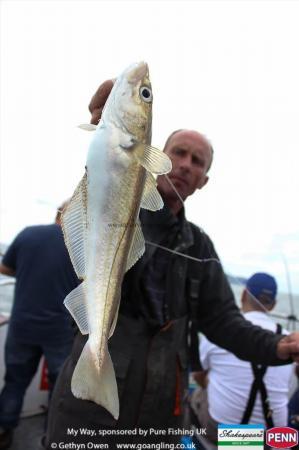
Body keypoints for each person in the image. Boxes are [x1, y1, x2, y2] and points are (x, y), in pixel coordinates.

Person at [45, 81, 299, 449]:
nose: (184, 165)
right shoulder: (116, 213)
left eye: (197, 162)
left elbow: (225, 323)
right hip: (87, 414)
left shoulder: (199, 247)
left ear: (204, 180)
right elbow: (81, 212)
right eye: (178, 153)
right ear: (155, 155)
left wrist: (277, 348)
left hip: (162, 416)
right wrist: (106, 135)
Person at [0, 203, 79, 450]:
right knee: (59, 389)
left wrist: (28, 272)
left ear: (57, 213)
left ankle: (4, 432)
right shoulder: (81, 249)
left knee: (14, 382)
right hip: (59, 332)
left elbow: (5, 268)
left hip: (22, 327)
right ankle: (52, 437)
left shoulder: (28, 234)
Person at [191, 273, 293, 445]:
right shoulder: (288, 340)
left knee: (195, 394)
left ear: (243, 294)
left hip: (227, 435)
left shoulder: (218, 332)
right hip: (271, 438)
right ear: (273, 304)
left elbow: (197, 374)